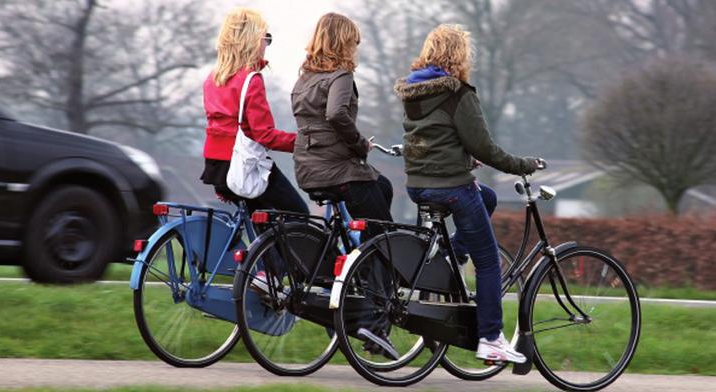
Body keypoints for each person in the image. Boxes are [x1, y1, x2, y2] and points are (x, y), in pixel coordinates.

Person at [394, 24, 540, 363]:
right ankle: (491, 337)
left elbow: (433, 140)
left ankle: (451, 255)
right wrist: (523, 164)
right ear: (459, 55)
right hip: (451, 187)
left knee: (486, 197)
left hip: (418, 185)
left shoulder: (413, 93)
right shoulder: (458, 93)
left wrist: (461, 158)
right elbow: (486, 148)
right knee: (488, 262)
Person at [291, 12, 396, 358]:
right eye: (353, 42)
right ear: (342, 42)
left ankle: (358, 270)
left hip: (308, 171)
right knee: (386, 239)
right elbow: (337, 115)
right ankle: (374, 321)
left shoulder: (305, 77)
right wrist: (359, 144)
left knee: (383, 190)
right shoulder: (341, 76)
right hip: (340, 171)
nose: (357, 49)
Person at [200, 7, 308, 215]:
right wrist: (305, 143)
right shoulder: (251, 79)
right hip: (242, 166)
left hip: (216, 167)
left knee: (264, 225)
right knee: (299, 213)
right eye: (265, 37)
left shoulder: (212, 78)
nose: (266, 44)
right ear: (251, 40)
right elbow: (264, 134)